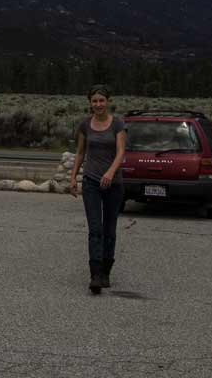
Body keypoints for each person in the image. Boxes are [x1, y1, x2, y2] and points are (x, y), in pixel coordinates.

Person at [69, 84, 127, 294]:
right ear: (90, 103)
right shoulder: (85, 125)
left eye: (102, 100)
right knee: (95, 229)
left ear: (108, 101)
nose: (98, 104)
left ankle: (105, 272)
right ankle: (94, 275)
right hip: (92, 182)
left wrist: (110, 173)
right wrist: (73, 177)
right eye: (94, 101)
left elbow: (121, 152)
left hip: (114, 184)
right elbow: (80, 153)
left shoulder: (117, 125)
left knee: (109, 229)